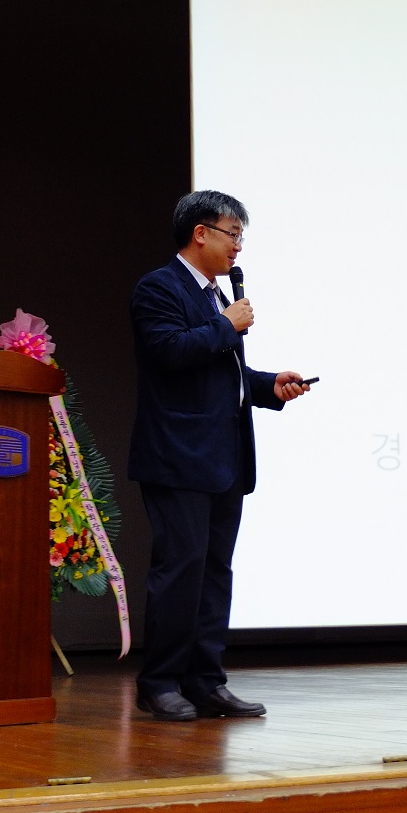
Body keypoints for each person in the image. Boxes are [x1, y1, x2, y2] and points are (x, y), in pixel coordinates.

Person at [128, 189, 310, 721]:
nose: (238, 247)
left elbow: (220, 373)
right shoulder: (158, 287)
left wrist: (268, 385)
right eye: (233, 234)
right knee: (180, 571)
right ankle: (160, 683)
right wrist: (226, 325)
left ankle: (205, 681)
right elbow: (170, 353)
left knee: (214, 573)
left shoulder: (214, 299)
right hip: (177, 457)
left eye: (241, 237)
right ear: (200, 233)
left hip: (223, 458)